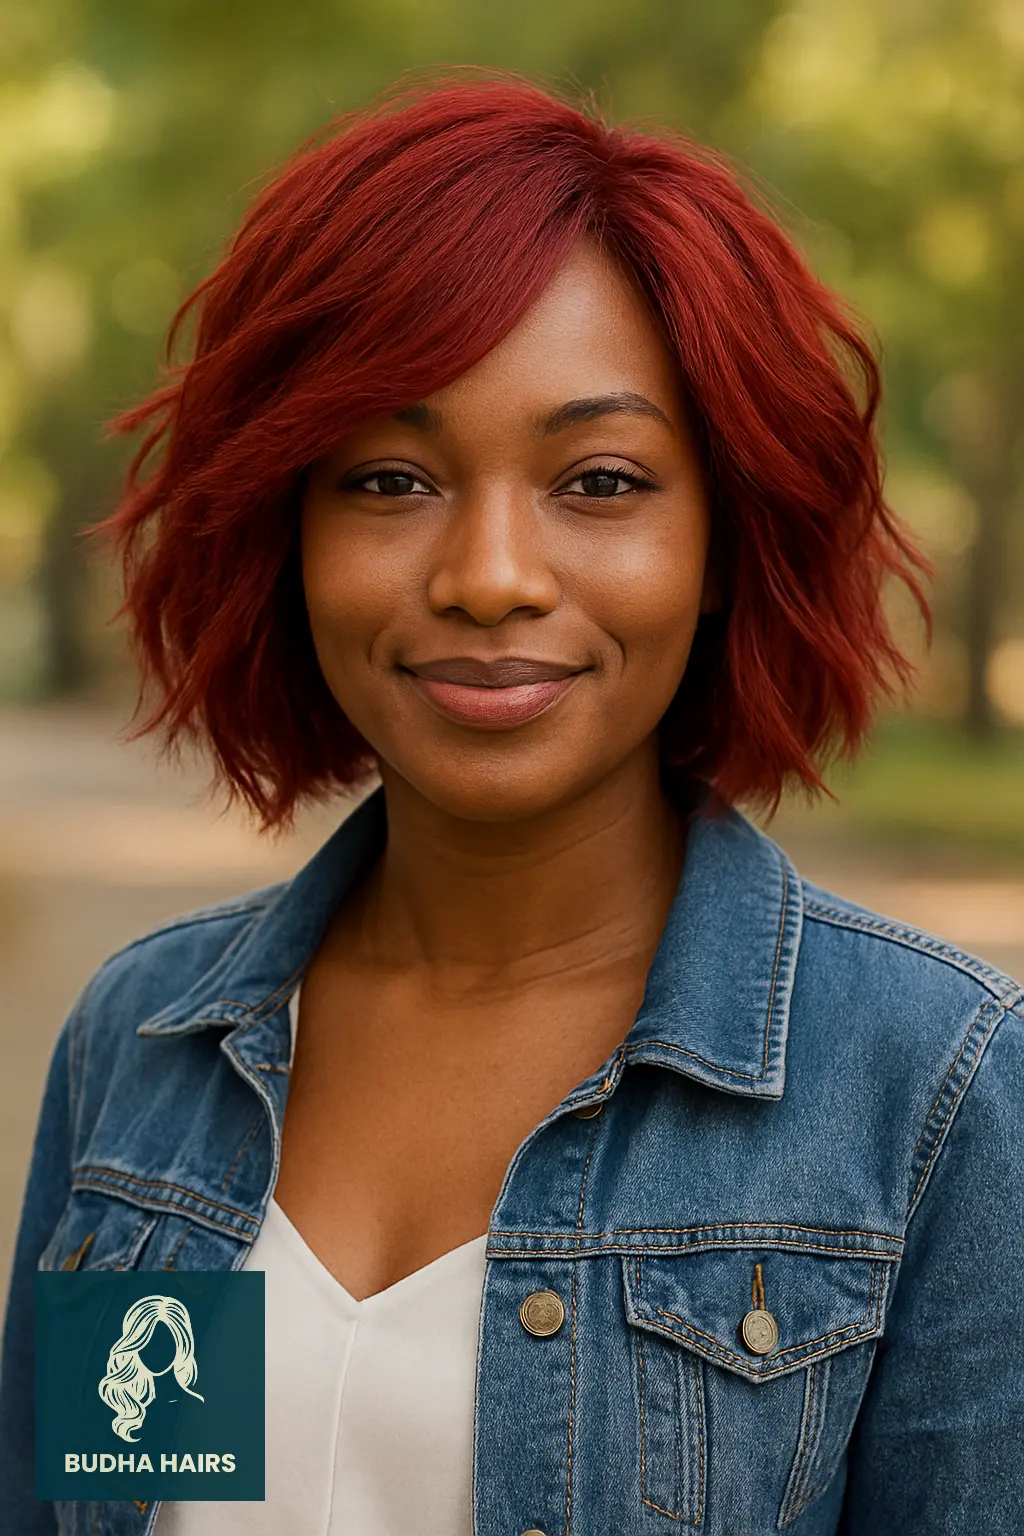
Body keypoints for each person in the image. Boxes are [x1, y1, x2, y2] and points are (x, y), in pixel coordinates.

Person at [2, 71, 1021, 1536]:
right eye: (390, 478)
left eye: (599, 480)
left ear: (724, 539)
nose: (489, 574)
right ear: (283, 529)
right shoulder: (149, 1048)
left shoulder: (931, 1099)